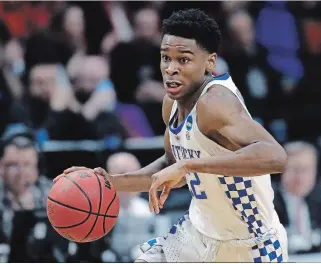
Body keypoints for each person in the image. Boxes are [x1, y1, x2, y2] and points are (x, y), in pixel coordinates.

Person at [55, 9, 288, 262]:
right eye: (166, 58)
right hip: (198, 235)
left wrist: (188, 166)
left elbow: (275, 155)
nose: (171, 69)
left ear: (210, 62)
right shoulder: (172, 103)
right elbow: (170, 167)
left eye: (184, 60)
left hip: (251, 244)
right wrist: (107, 182)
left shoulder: (216, 102)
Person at [273, 141, 321, 254]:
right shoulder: (268, 200)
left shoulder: (318, 197)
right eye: (294, 169)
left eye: (306, 170)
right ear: (281, 171)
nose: (300, 178)